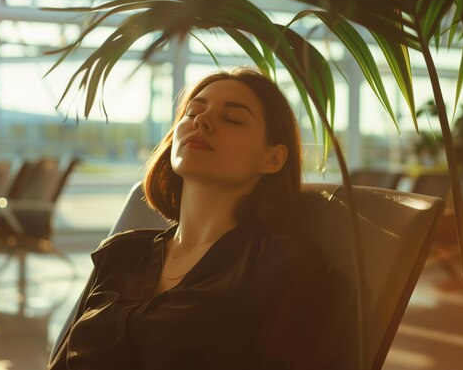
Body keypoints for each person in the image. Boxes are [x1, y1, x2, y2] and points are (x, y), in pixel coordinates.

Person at [48, 68, 339, 370]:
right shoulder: (120, 253)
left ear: (273, 158)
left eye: (232, 119)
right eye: (192, 112)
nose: (201, 121)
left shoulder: (281, 265)